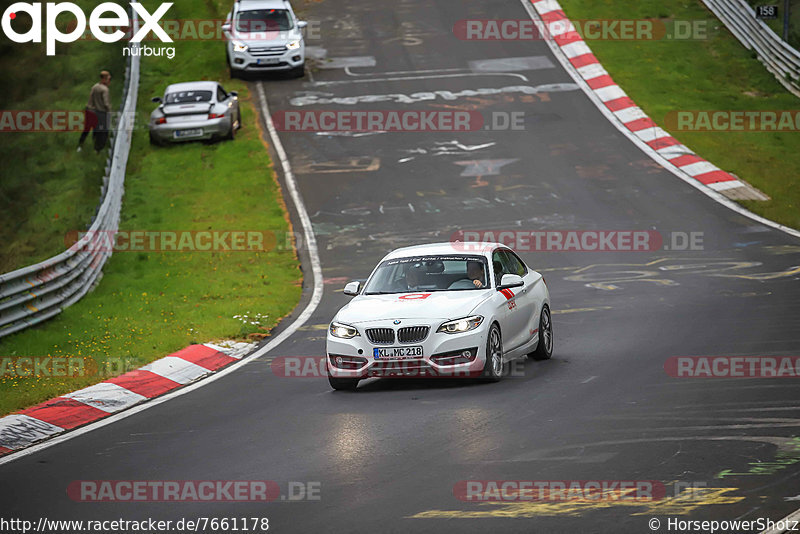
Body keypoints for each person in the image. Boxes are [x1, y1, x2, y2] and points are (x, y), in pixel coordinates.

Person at [77, 70, 112, 153]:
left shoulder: (95, 86)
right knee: (102, 131)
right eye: (108, 79)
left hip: (90, 111)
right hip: (100, 112)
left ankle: (80, 145)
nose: (109, 81)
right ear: (104, 79)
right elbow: (106, 103)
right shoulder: (105, 90)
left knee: (87, 129)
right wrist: (109, 111)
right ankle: (98, 149)